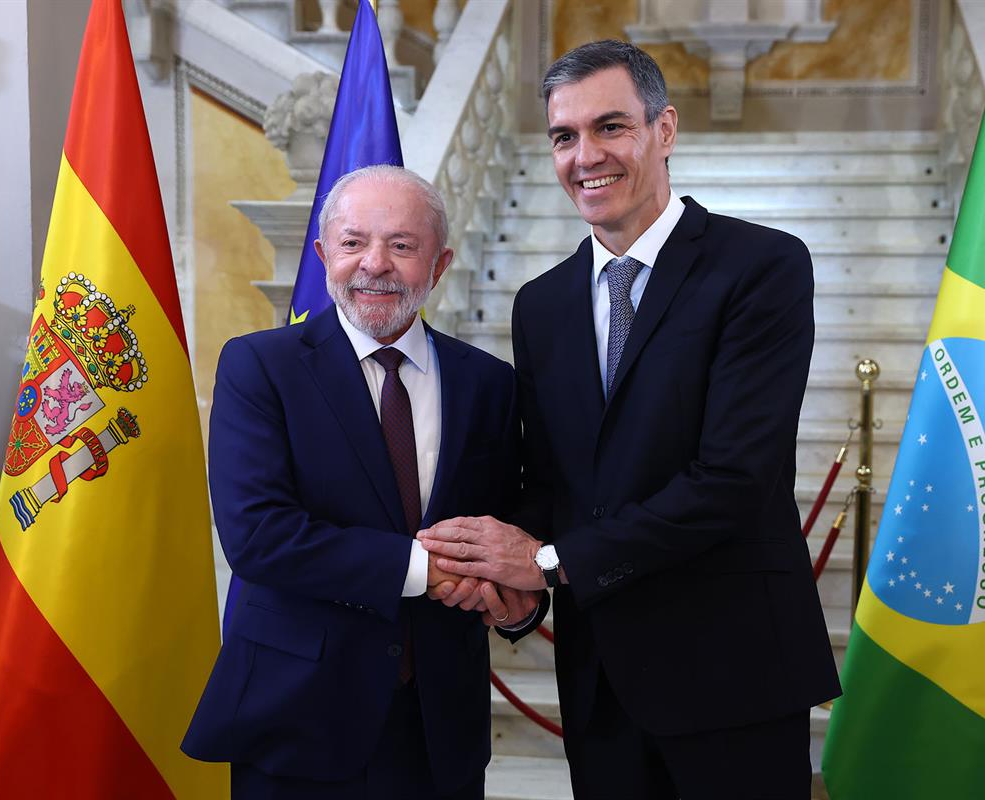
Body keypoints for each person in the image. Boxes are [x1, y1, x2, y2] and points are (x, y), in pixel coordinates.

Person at [418, 40, 841, 798]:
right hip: (601, 677)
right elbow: (557, 482)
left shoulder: (762, 267)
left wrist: (547, 564)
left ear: (665, 130)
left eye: (611, 127)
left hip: (732, 673)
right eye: (564, 136)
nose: (586, 156)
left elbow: (733, 479)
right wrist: (500, 575)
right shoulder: (540, 305)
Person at [182, 165, 546, 800]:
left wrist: (518, 599)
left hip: (440, 728)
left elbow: (507, 527)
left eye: (402, 246)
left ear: (440, 263)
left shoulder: (490, 384)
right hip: (299, 718)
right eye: (353, 243)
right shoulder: (259, 366)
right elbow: (260, 536)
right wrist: (424, 570)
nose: (374, 264)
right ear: (324, 255)